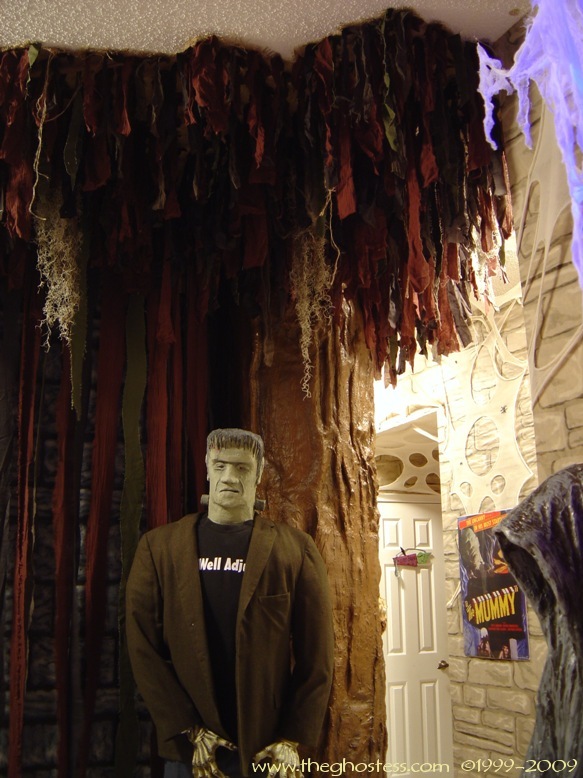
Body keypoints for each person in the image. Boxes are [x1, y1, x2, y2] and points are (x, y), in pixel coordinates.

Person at [126, 428, 334, 778]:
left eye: (241, 468)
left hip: (266, 747)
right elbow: (142, 645)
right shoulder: (159, 549)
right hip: (190, 750)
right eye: (220, 465)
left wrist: (291, 736)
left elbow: (318, 654)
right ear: (207, 467)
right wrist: (187, 726)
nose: (229, 477)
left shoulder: (294, 551)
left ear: (259, 472)